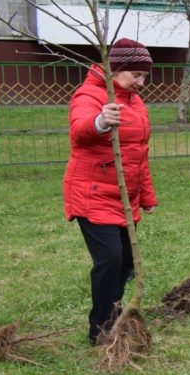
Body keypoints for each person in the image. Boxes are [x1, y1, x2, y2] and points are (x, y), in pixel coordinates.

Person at [62, 38, 157, 344]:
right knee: (110, 261)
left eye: (144, 76)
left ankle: (114, 316)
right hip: (91, 193)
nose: (141, 82)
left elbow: (138, 154)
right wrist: (100, 121)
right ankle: (101, 329)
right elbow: (79, 130)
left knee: (126, 261)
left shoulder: (135, 102)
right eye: (136, 76)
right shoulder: (89, 94)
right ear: (115, 70)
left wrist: (147, 197)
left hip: (124, 198)